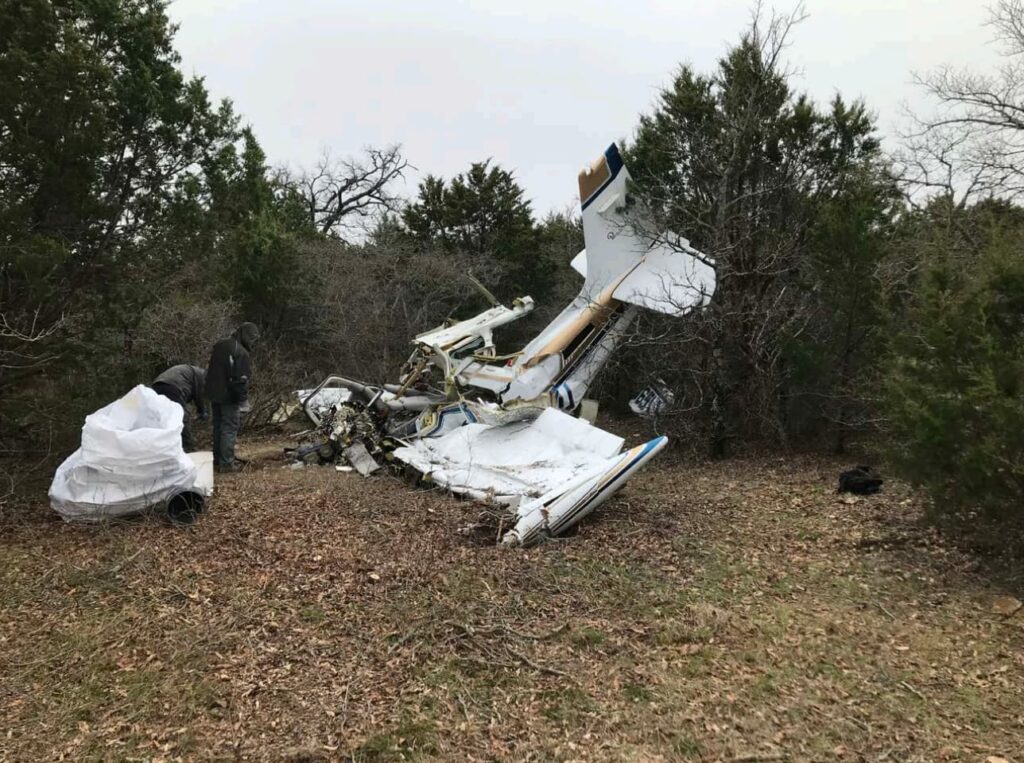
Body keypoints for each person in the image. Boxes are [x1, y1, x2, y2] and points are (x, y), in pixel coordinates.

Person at [205, 322, 260, 473]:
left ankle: (217, 461)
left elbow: (212, 371)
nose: (253, 343)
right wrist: (242, 400)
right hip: (228, 397)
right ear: (246, 336)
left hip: (213, 394)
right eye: (253, 339)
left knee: (218, 428)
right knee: (229, 429)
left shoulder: (221, 345)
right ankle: (227, 465)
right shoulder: (240, 352)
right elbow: (239, 380)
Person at [151, 364, 207, 452]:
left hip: (158, 385)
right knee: (182, 416)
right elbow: (199, 396)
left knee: (165, 418)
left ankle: (164, 446)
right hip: (172, 386)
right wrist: (202, 411)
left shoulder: (192, 372)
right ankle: (187, 447)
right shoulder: (201, 376)